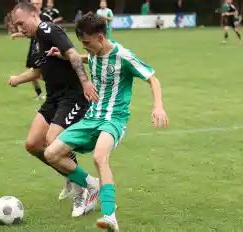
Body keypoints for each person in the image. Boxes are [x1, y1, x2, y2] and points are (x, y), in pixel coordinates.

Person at [44, 13, 168, 231]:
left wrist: (158, 106)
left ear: (100, 38)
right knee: (51, 154)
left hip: (114, 118)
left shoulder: (124, 56)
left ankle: (110, 215)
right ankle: (92, 185)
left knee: (100, 156)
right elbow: (88, 57)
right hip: (92, 117)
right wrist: (63, 56)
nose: (85, 47)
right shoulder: (94, 51)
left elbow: (153, 79)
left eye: (87, 43)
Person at [9, 2, 99, 217]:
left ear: (34, 15)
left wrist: (85, 83)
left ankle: (87, 186)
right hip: (54, 98)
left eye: (21, 23)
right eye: (16, 25)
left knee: (52, 141)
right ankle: (71, 175)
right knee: (32, 144)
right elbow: (38, 71)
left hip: (72, 96)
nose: (20, 28)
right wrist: (17, 80)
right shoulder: (35, 40)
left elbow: (74, 55)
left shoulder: (49, 29)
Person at [11, 0, 52, 100]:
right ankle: (39, 94)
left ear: (41, 5)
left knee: (40, 73)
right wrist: (18, 34)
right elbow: (28, 31)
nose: (35, 5)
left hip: (44, 48)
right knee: (32, 69)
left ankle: (54, 89)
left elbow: (51, 32)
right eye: (33, 4)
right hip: (34, 47)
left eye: (37, 4)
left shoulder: (46, 18)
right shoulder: (27, 17)